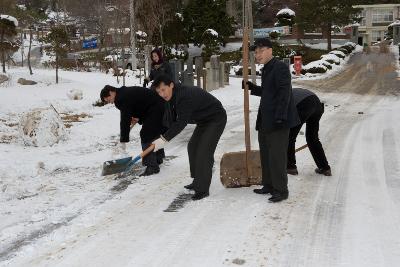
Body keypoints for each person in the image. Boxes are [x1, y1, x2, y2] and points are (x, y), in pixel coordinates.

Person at [151, 74, 227, 200]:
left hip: (216, 119)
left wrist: (163, 139)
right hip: (203, 120)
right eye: (159, 92)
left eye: (163, 90)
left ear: (171, 85)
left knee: (204, 152)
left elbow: (181, 122)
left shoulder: (184, 96)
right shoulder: (172, 96)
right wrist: (162, 136)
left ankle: (202, 189)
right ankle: (197, 180)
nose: (162, 94)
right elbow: (171, 120)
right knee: (192, 147)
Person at [245, 38, 300, 203]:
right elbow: (270, 92)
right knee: (266, 154)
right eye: (256, 52)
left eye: (261, 51)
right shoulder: (267, 69)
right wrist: (254, 89)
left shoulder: (280, 67)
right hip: (266, 120)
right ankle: (268, 184)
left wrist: (280, 116)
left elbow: (284, 93)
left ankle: (281, 190)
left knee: (277, 157)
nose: (258, 54)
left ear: (270, 50)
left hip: (278, 120)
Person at [100, 85, 167, 176]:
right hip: (156, 106)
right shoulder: (123, 93)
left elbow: (124, 119)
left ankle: (152, 166)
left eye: (108, 100)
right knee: (153, 133)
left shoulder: (121, 98)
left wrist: (123, 139)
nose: (110, 102)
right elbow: (136, 104)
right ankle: (158, 158)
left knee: (146, 134)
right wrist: (137, 116)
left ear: (111, 93)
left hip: (155, 107)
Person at [287, 88, 331, 176]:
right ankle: (325, 168)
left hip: (304, 104)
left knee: (289, 137)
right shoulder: (289, 92)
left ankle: (290, 167)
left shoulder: (281, 97)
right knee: (312, 138)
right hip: (316, 104)